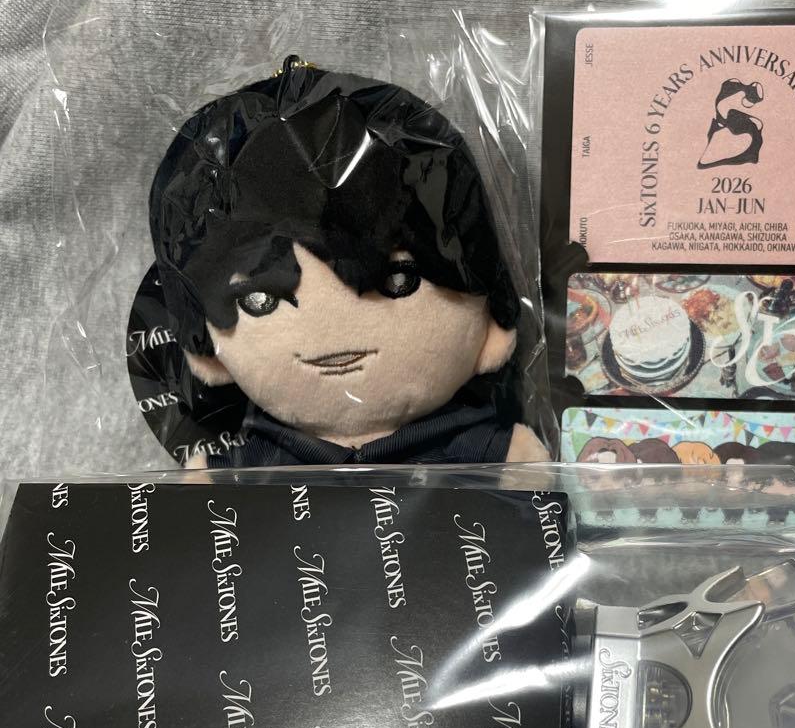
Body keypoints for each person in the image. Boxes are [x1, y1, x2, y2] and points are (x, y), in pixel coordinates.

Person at [146, 56, 547, 467]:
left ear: (493, 327)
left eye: (399, 280)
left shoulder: (473, 450)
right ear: (206, 354)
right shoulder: (258, 464)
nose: (326, 328)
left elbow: (524, 476)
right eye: (260, 300)